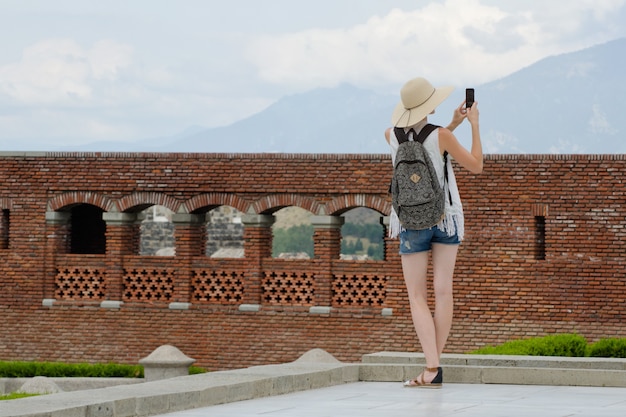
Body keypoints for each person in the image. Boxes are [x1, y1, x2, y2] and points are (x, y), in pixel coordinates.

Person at [385, 77, 483, 388]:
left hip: (411, 221)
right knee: (443, 292)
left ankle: (431, 367)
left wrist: (451, 126)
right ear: (431, 105)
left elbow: (423, 148)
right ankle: (432, 367)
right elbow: (476, 166)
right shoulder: (442, 136)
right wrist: (472, 125)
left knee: (417, 295)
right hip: (445, 218)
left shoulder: (390, 136)